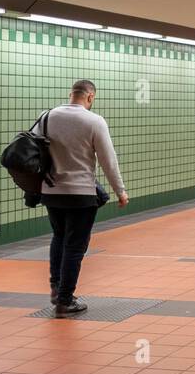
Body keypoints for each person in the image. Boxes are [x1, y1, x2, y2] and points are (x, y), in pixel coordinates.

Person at [31, 80, 128, 315]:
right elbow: (108, 160)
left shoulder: (46, 117)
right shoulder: (94, 121)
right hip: (81, 193)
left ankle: (57, 288)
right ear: (90, 97)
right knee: (75, 246)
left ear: (70, 94)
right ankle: (65, 299)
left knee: (59, 237)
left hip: (52, 192)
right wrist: (120, 190)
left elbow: (32, 149)